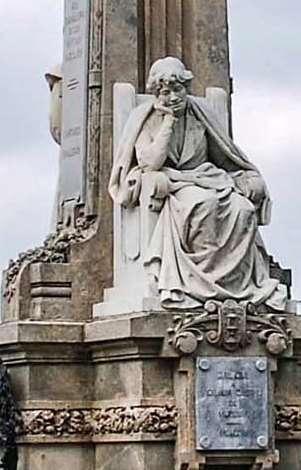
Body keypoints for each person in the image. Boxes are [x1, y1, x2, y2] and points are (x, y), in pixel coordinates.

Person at [107, 56, 288, 310]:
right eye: (166, 91)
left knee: (242, 208)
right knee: (203, 204)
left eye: (178, 89)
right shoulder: (145, 118)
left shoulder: (200, 114)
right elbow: (150, 164)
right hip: (174, 183)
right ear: (158, 94)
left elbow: (226, 156)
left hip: (206, 178)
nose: (173, 97)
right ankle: (199, 285)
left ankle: (232, 285)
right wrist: (168, 121)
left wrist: (247, 178)